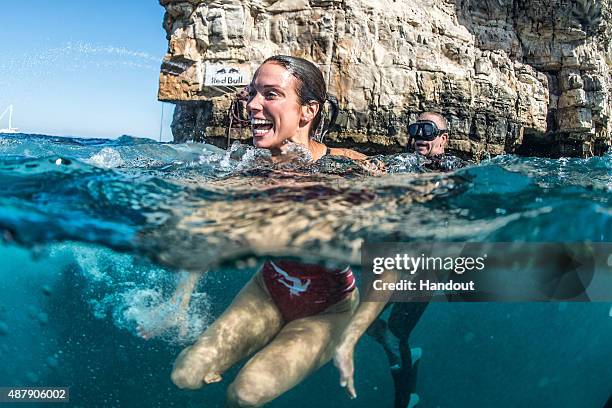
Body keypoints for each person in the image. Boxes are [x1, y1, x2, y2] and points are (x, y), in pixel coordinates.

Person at [168, 55, 370, 407]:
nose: (252, 105)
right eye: (252, 94)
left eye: (270, 94)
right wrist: (178, 301)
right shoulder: (247, 167)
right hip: (268, 288)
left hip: (329, 308)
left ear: (308, 111)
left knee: (246, 394)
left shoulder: (348, 169)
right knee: (185, 374)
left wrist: (353, 334)